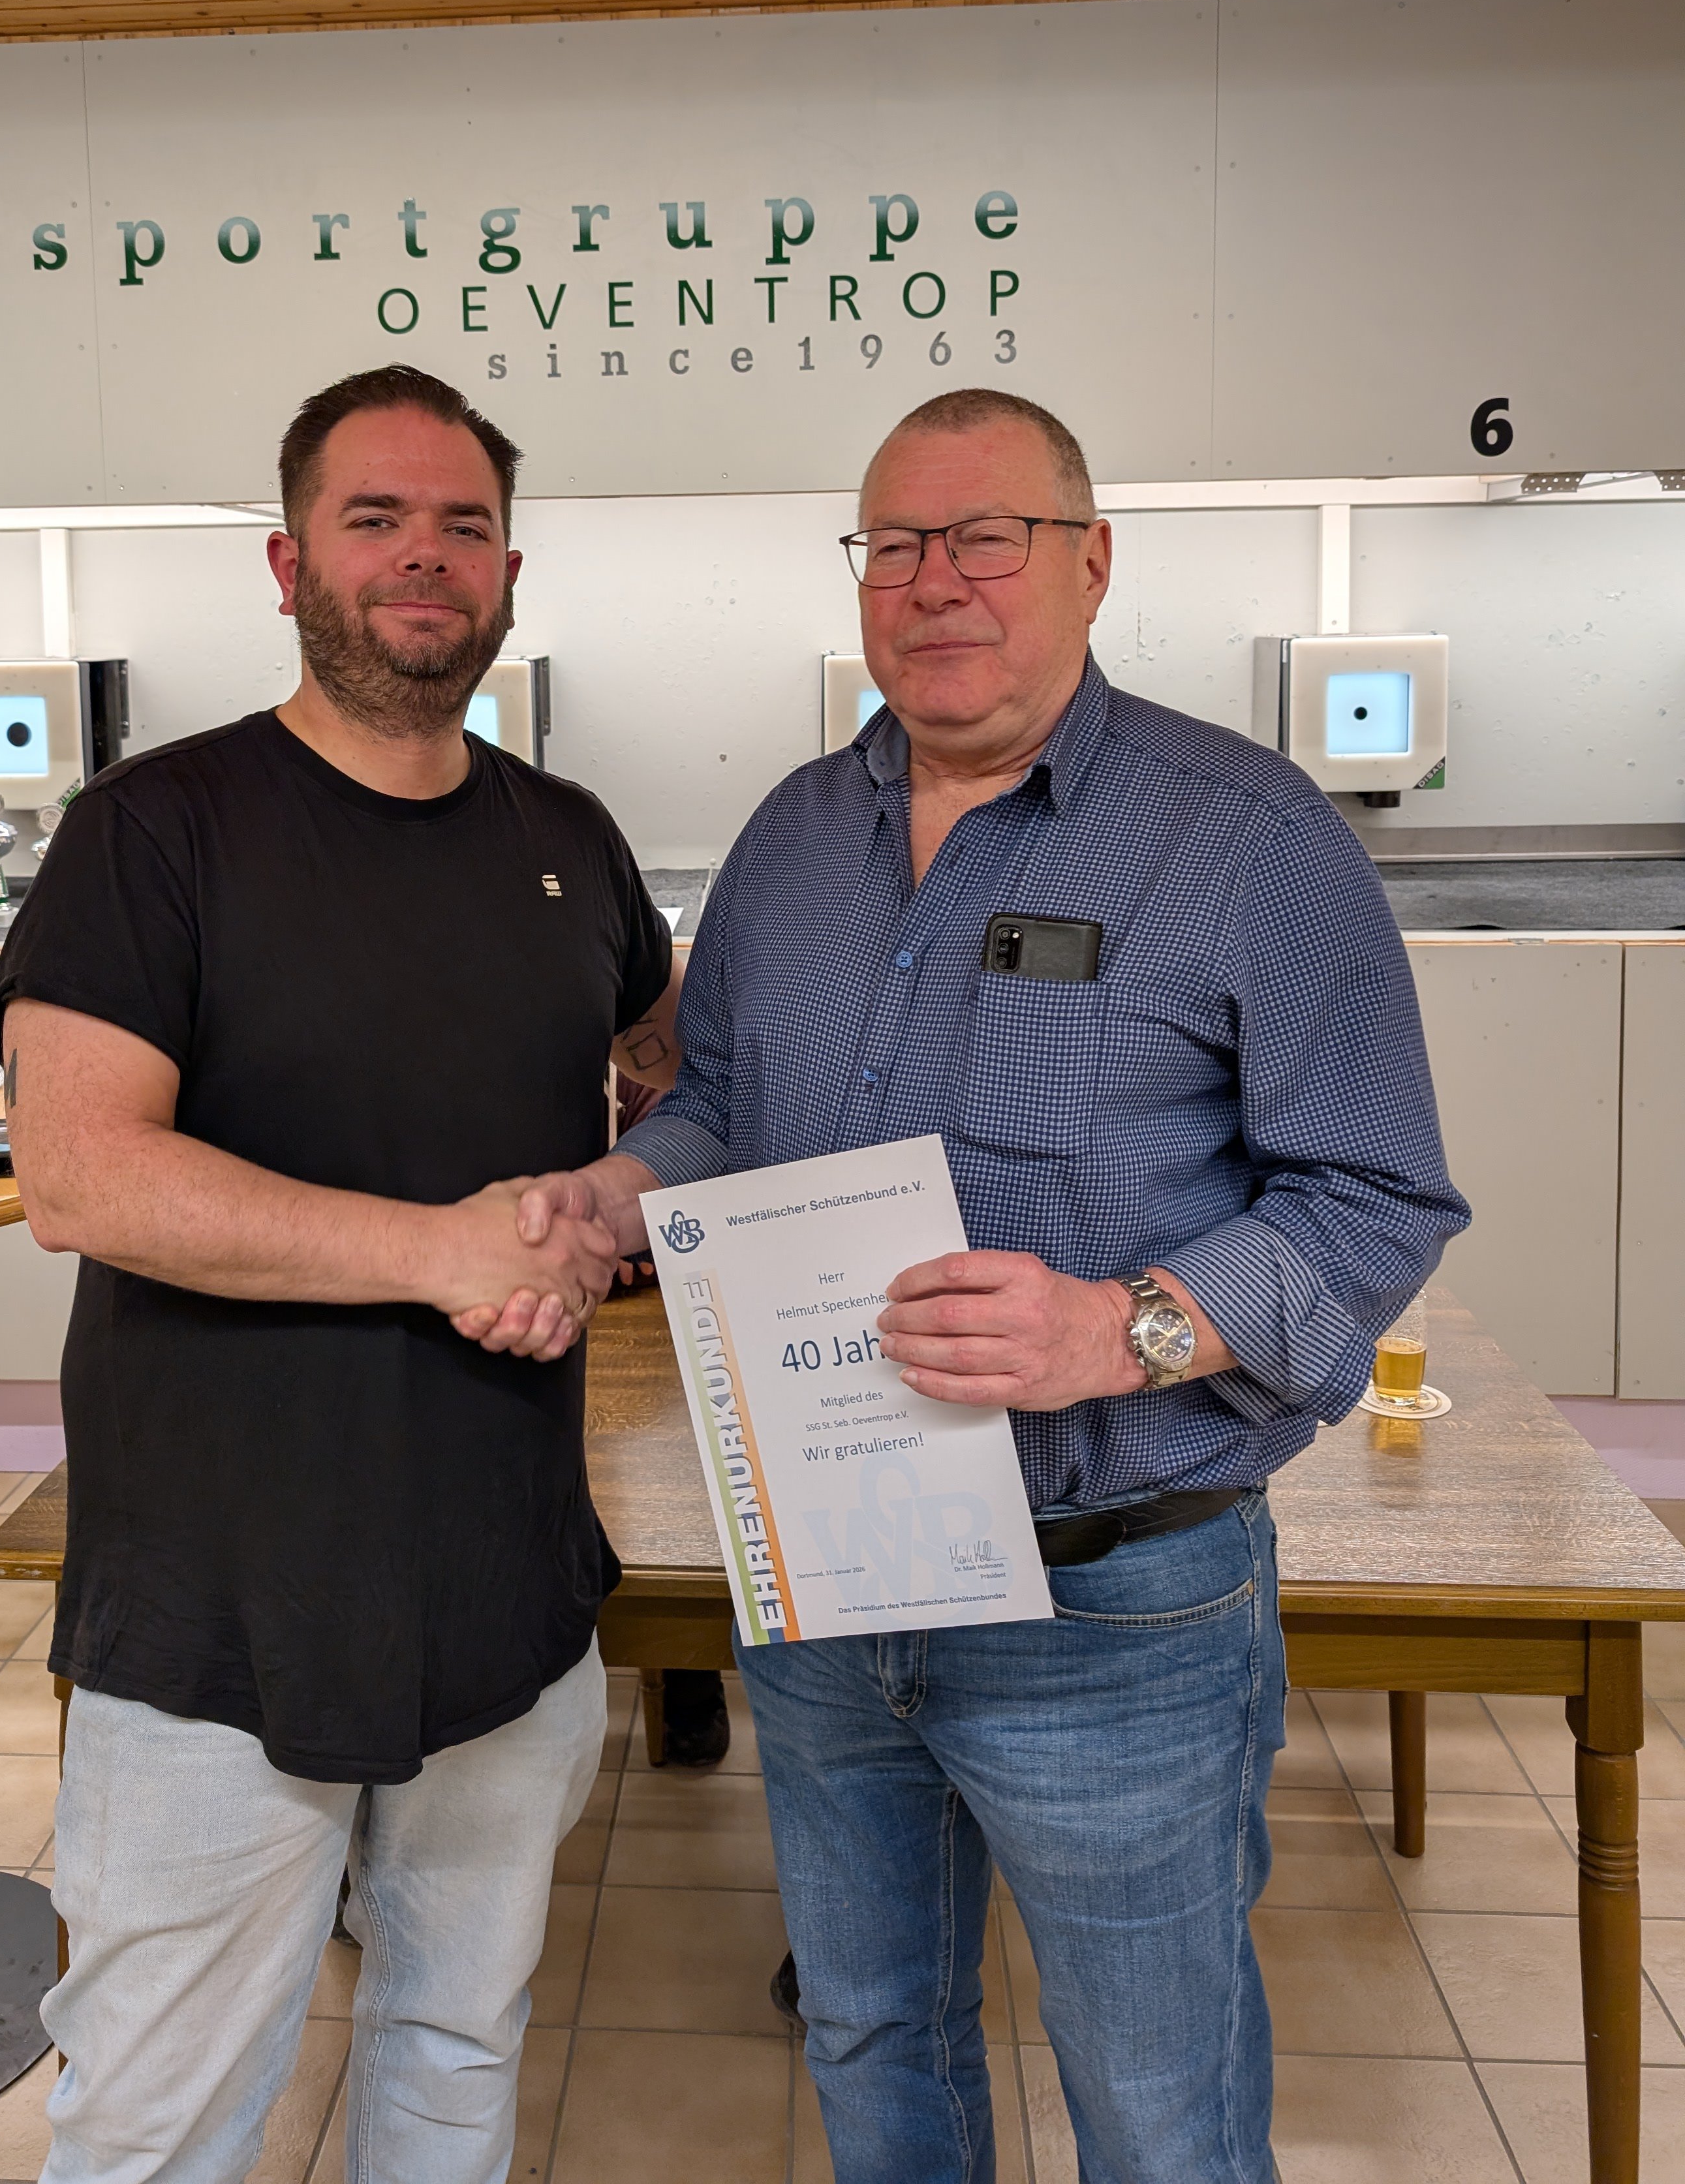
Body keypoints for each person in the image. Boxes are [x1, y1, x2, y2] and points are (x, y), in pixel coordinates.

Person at [514, 388, 1469, 2184]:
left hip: (1111, 1602)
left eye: (985, 539)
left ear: (1091, 563)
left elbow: (1376, 1196)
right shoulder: (794, 837)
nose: (934, 582)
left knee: (1159, 2108)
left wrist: (1117, 1329)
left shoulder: (1249, 836)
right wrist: (621, 1194)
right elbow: (723, 1104)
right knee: (874, 2037)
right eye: (895, 545)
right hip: (828, 1568)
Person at [0, 363, 680, 2184]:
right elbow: (79, 1176)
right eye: (375, 519)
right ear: (289, 563)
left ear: (511, 570)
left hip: (507, 1585)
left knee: (455, 2050)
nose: (423, 556)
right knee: (158, 2118)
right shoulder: (156, 829)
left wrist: (606, 1203)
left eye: (464, 524)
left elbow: (678, 1073)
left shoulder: (569, 840)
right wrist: (447, 1249)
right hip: (220, 1615)